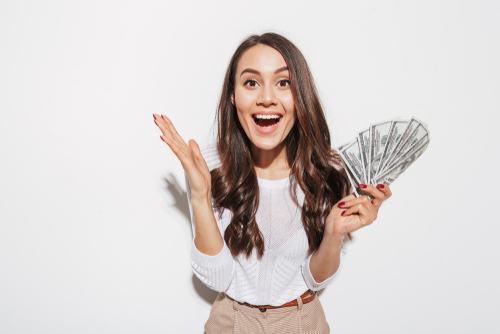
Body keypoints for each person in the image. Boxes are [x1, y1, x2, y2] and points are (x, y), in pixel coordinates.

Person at [153, 32, 392, 334]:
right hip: (231, 322)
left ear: (300, 95)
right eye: (251, 82)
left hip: (303, 321)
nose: (267, 97)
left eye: (283, 82)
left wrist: (333, 233)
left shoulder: (329, 169)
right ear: (233, 95)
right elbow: (217, 279)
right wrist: (200, 196)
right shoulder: (210, 165)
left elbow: (316, 278)